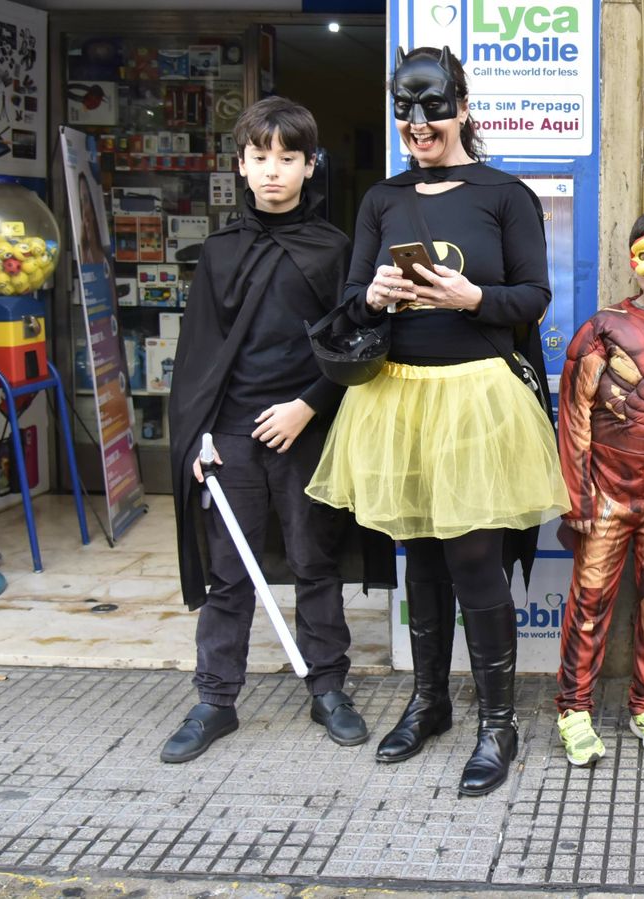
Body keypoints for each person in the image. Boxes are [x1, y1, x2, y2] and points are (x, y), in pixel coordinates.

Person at [305, 47, 569, 796]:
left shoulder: (506, 194)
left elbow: (533, 297)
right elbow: (351, 298)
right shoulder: (382, 198)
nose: (417, 123)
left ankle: (498, 723)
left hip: (476, 395)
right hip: (395, 396)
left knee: (475, 561)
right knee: (417, 558)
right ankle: (430, 702)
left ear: (462, 105)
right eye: (405, 108)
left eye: (431, 105)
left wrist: (469, 297)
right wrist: (378, 294)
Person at [164, 97, 392, 764]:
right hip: (230, 432)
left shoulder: (332, 249)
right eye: (259, 157)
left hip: (303, 430)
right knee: (230, 571)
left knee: (313, 561)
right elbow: (197, 352)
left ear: (309, 165)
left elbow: (356, 342)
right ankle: (214, 699)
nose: (272, 171)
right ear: (240, 164)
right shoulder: (218, 251)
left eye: (286, 158)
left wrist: (308, 406)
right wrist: (196, 436)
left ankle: (328, 689)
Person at [552, 207, 644, 767]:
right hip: (606, 488)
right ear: (631, 260)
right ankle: (573, 706)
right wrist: (577, 495)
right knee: (589, 601)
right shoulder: (602, 327)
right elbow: (573, 415)